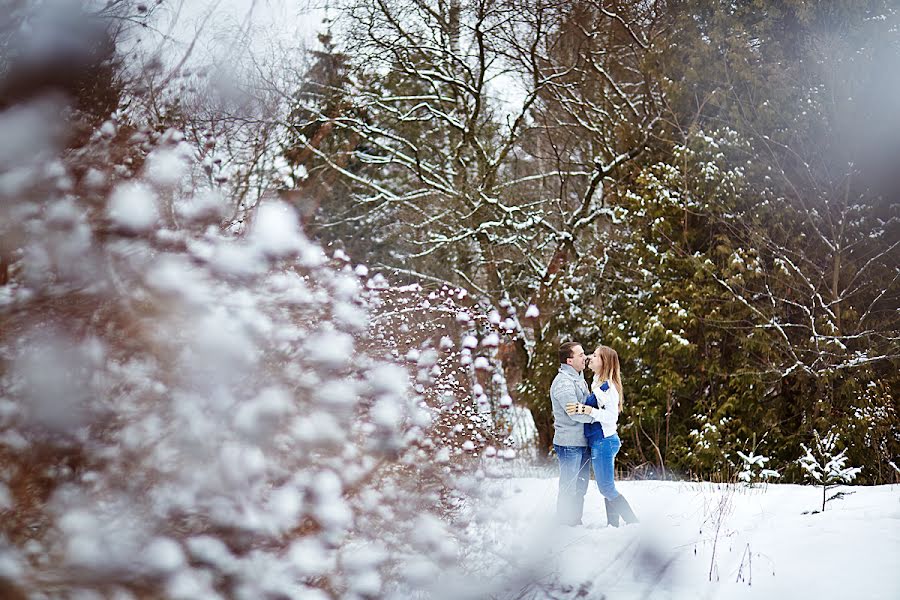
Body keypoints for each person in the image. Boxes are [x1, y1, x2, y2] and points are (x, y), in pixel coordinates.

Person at [566, 345, 638, 527]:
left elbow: (611, 417)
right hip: (599, 441)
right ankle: (613, 526)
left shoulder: (608, 388)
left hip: (604, 442)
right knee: (607, 486)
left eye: (595, 356)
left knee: (606, 487)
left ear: (604, 362)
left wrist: (588, 410)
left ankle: (634, 523)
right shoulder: (597, 381)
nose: (590, 357)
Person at [550, 341, 593, 526]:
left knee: (581, 487)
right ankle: (564, 524)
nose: (585, 357)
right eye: (581, 355)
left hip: (582, 442)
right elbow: (575, 412)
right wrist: (598, 417)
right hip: (569, 444)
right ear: (569, 360)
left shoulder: (579, 378)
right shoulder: (563, 383)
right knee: (569, 487)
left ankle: (575, 522)